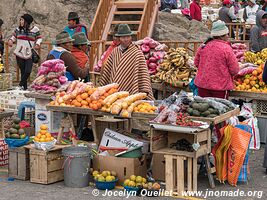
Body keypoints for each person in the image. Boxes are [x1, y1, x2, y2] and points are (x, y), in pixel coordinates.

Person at [99, 24, 154, 100]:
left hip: (131, 89)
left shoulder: (137, 52)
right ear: (119, 38)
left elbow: (143, 74)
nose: (126, 39)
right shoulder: (115, 51)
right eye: (123, 37)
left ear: (131, 37)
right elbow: (108, 70)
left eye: (128, 37)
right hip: (114, 92)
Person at [194, 20, 240, 99]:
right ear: (221, 36)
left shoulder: (203, 46)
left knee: (204, 109)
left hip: (203, 85)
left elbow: (196, 63)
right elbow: (234, 70)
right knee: (220, 110)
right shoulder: (226, 48)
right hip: (220, 87)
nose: (228, 36)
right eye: (227, 34)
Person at [8, 14, 42, 90]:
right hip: (19, 53)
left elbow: (39, 38)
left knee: (27, 71)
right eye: (20, 20)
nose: (20, 21)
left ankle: (20, 85)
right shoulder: (18, 29)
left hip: (29, 53)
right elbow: (13, 37)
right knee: (23, 71)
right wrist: (10, 41)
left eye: (22, 20)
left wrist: (37, 44)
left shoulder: (35, 29)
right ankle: (24, 88)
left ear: (27, 21)